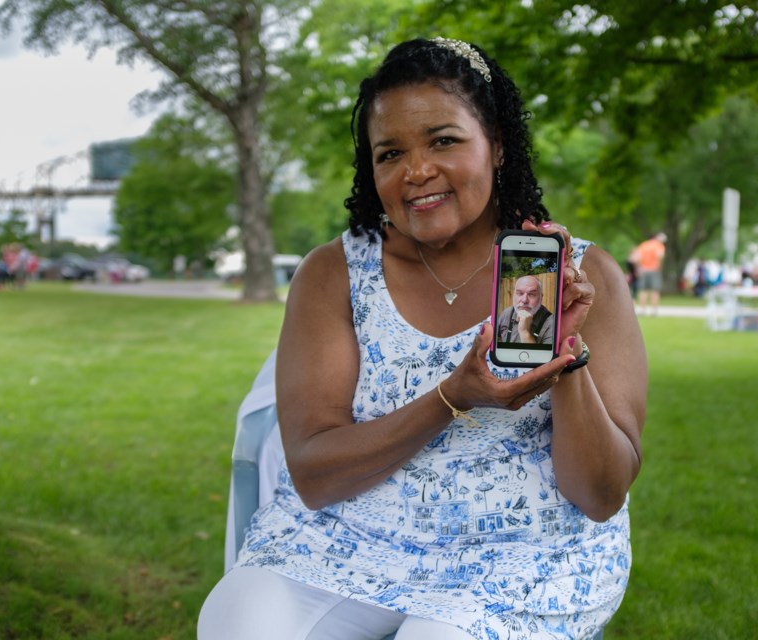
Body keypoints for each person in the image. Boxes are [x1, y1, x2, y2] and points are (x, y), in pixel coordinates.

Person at [199, 37, 647, 640]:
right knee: (239, 627)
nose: (416, 172)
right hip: (343, 541)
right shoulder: (335, 274)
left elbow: (599, 496)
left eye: (443, 140)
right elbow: (313, 473)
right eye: (390, 153)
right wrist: (451, 397)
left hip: (522, 561)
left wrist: (567, 360)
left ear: (497, 147)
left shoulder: (580, 279)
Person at [495, 275, 555, 344]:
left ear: (541, 297)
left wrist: (524, 332)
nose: (524, 300)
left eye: (531, 294)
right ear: (514, 295)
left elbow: (541, 355)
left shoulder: (551, 323)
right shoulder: (507, 313)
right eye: (520, 293)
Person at [632, 232, 666, 315]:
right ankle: (654, 310)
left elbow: (635, 258)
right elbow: (660, 256)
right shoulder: (659, 245)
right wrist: (659, 266)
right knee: (655, 290)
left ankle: (643, 310)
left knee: (643, 290)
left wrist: (639, 268)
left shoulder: (643, 245)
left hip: (643, 270)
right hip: (654, 270)